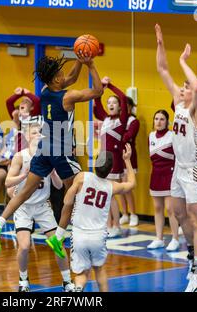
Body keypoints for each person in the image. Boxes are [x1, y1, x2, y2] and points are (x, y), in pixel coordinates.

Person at [0, 52, 104, 255]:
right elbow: (98, 91)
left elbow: (72, 78)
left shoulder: (44, 91)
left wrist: (79, 61)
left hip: (44, 149)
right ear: (57, 78)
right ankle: (59, 237)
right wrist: (91, 65)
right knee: (73, 193)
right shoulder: (69, 97)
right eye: (61, 73)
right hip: (62, 152)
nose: (64, 75)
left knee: (24, 192)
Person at [155, 24, 197, 292]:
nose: (183, 87)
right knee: (176, 212)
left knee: (195, 217)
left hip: (195, 169)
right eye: (184, 86)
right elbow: (162, 70)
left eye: (185, 85)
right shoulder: (177, 102)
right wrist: (160, 43)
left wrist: (182, 60)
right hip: (179, 167)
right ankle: (193, 255)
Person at [46, 144, 136, 292]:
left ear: (95, 164)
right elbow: (132, 184)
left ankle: (78, 289)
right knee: (99, 270)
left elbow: (67, 201)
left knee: (81, 273)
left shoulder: (82, 177)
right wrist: (127, 160)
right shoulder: (112, 186)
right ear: (111, 170)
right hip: (98, 235)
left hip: (79, 234)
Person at [5, 122, 74, 292]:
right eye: (34, 132)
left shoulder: (48, 155)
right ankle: (23, 280)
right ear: (27, 137)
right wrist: (24, 175)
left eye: (40, 133)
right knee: (25, 246)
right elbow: (7, 182)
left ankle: (67, 281)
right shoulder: (20, 157)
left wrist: (52, 172)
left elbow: (58, 186)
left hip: (42, 206)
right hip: (23, 206)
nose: (38, 135)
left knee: (57, 244)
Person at [93, 76, 129, 237]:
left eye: (114, 103)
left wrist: (110, 85)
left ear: (120, 107)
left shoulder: (121, 120)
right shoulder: (105, 118)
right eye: (109, 103)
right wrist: (100, 88)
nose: (111, 105)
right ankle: (107, 224)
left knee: (111, 193)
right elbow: (97, 101)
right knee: (104, 193)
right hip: (102, 158)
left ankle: (116, 225)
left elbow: (122, 97)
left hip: (114, 160)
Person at [147, 110, 180, 251]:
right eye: (156, 119)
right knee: (157, 208)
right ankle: (159, 238)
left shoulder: (172, 136)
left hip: (170, 175)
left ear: (167, 121)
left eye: (161, 119)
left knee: (170, 208)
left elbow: (178, 157)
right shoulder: (151, 135)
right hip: (156, 175)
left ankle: (175, 239)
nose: (158, 122)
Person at [119, 96, 139, 227]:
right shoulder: (117, 120)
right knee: (119, 187)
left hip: (129, 157)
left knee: (127, 187)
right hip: (117, 157)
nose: (124, 108)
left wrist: (116, 136)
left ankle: (133, 214)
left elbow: (127, 136)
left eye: (127, 105)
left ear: (131, 107)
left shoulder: (133, 121)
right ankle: (124, 213)